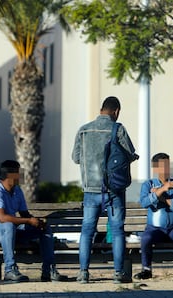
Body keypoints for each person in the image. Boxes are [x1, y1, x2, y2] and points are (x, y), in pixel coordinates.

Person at [72, 96, 139, 284]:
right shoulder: (118, 129)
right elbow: (129, 154)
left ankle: (83, 273)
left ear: (101, 109)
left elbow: (76, 158)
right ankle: (118, 273)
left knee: (87, 231)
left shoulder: (83, 130)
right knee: (117, 230)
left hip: (90, 190)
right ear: (116, 111)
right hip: (114, 191)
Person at [0, 160, 67, 282]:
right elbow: (2, 218)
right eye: (19, 172)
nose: (22, 175)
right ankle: (10, 270)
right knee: (8, 225)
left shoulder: (17, 191)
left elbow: (25, 214)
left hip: (12, 230)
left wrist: (37, 222)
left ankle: (49, 270)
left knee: (43, 228)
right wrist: (28, 221)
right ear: (10, 175)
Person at [133, 153, 173, 281]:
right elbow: (145, 202)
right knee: (146, 238)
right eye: (162, 166)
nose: (166, 169)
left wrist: (163, 198)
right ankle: (146, 269)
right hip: (155, 228)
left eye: (168, 165)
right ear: (156, 168)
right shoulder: (148, 184)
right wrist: (162, 189)